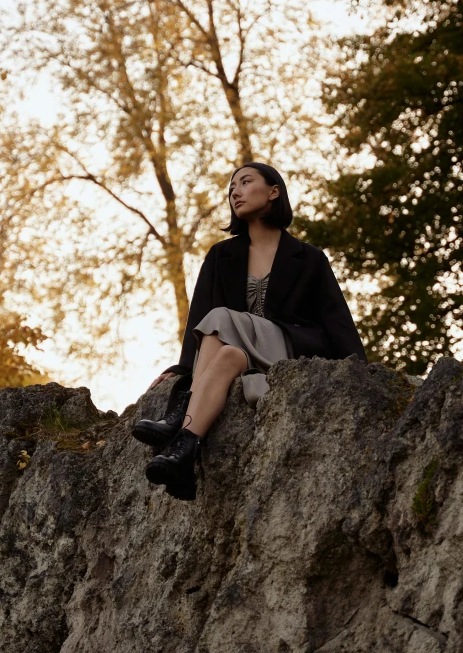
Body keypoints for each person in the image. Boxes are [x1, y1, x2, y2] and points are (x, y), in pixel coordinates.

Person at [132, 162, 367, 500]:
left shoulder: (310, 258)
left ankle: (177, 416)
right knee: (227, 351)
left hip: (291, 348)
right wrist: (183, 367)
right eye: (231, 187)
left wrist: (361, 372)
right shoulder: (221, 255)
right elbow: (199, 318)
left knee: (222, 317)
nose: (235, 192)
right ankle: (182, 452)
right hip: (246, 358)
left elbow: (337, 321)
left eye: (245, 182)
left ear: (274, 191)